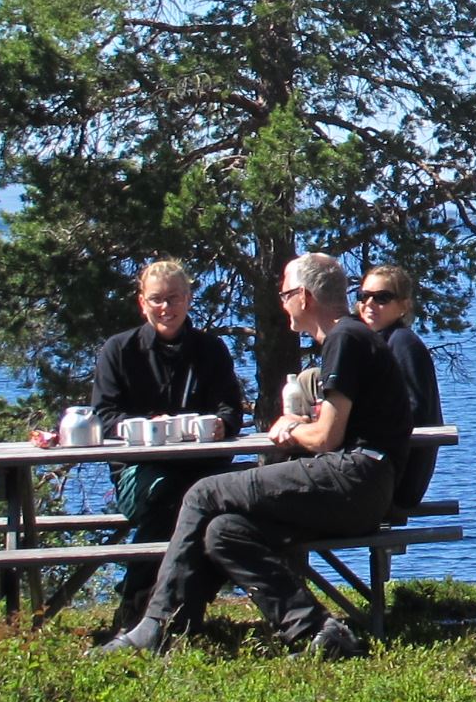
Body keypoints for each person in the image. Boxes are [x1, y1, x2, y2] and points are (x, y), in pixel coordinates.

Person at [94, 251, 411, 660]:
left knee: (203, 493)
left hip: (356, 476)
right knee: (224, 530)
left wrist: (293, 427)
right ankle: (315, 629)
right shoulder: (348, 339)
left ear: (305, 297)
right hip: (360, 482)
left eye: (284, 294)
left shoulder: (345, 338)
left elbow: (326, 438)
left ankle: (158, 627)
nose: (281, 304)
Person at [90, 259, 244, 628]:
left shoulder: (211, 350)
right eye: (157, 299)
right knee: (174, 497)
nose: (166, 308)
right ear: (142, 302)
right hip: (139, 474)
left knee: (227, 502)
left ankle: (148, 610)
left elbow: (231, 410)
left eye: (174, 298)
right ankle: (158, 606)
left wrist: (220, 425)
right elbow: (104, 415)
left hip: (201, 469)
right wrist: (143, 426)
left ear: (189, 299)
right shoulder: (119, 351)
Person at [355, 263, 442, 517]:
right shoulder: (381, 342)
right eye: (363, 296)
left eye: (382, 298)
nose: (370, 304)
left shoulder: (402, 343)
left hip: (399, 482)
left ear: (403, 306)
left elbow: (414, 409)